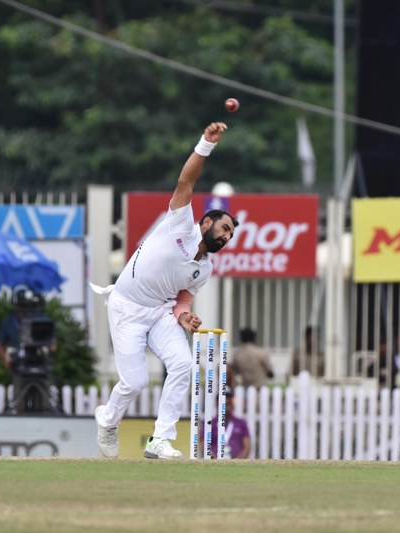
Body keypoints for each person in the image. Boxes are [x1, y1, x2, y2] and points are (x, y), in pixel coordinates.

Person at [93, 122, 238, 460]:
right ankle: (108, 419)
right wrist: (206, 143)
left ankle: (159, 439)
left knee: (183, 364)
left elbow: (182, 298)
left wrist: (185, 316)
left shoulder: (205, 269)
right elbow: (186, 180)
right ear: (206, 223)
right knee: (135, 382)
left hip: (159, 312)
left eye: (231, 235)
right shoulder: (180, 223)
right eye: (225, 228)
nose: (227, 237)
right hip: (126, 307)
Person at [211, 385, 252, 459]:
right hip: (214, 463)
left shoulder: (241, 423)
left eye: (229, 398)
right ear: (216, 403)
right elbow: (204, 444)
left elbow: (247, 447)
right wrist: (215, 460)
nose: (226, 401)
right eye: (222, 399)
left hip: (238, 464)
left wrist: (236, 462)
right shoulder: (209, 423)